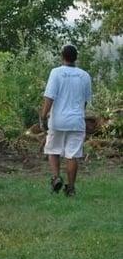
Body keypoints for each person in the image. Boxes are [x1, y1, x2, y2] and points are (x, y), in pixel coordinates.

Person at [40, 45, 92, 197]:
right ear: (76, 57)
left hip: (58, 120)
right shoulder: (84, 76)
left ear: (62, 56)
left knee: (53, 150)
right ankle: (71, 188)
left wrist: (43, 116)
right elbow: (85, 102)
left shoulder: (56, 73)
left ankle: (56, 177)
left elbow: (49, 97)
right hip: (76, 121)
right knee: (72, 155)